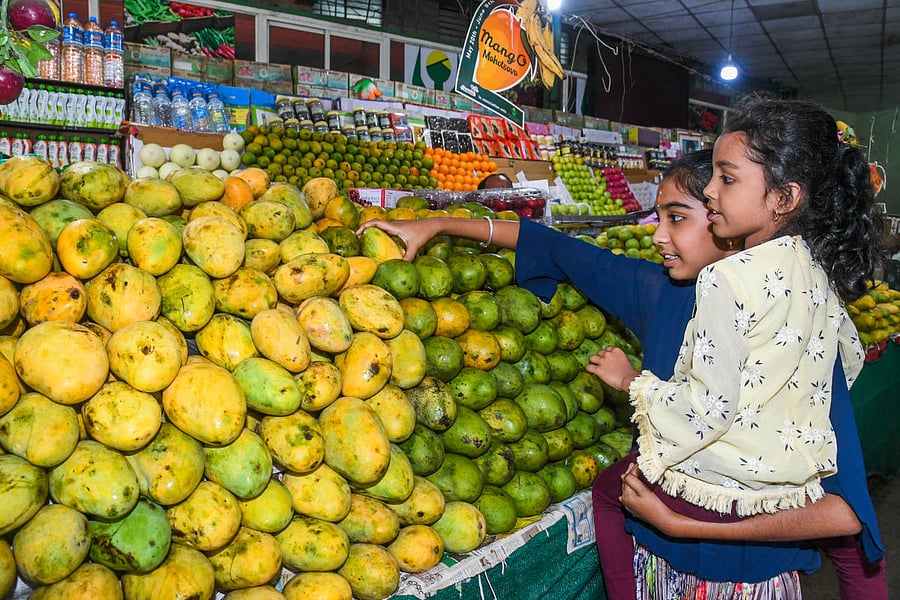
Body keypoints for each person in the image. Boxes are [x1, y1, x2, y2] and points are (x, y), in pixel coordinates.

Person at [356, 143, 884, 597]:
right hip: (658, 558)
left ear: (726, 220)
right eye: (657, 217)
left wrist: (675, 518)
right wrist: (439, 222)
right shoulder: (660, 291)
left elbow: (844, 515)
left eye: (676, 217)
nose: (657, 235)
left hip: (747, 573)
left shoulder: (789, 334)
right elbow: (558, 249)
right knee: (611, 486)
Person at [587, 95, 884, 599]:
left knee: (609, 489)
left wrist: (634, 383)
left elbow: (708, 411)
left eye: (726, 178)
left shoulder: (725, 278)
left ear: (784, 198)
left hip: (723, 492)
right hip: (787, 487)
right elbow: (847, 360)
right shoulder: (815, 271)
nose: (710, 190)